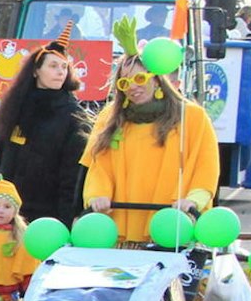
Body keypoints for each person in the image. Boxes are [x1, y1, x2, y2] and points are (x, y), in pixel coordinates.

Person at [82, 37, 220, 244]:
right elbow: (99, 165)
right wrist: (97, 196)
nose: (132, 87)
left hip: (173, 224)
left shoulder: (191, 116)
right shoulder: (110, 118)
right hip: (120, 224)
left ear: (156, 79)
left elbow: (205, 166)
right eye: (124, 82)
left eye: (139, 79)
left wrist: (193, 201)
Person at [0, 26, 88, 226]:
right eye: (53, 66)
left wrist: (67, 217)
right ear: (35, 71)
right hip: (9, 210)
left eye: (64, 67)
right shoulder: (15, 107)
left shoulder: (73, 114)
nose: (60, 72)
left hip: (50, 215)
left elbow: (73, 174)